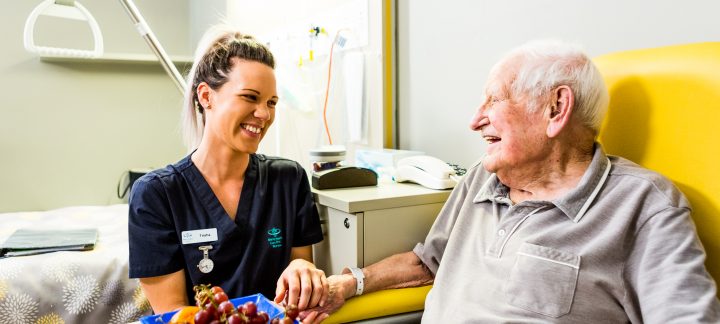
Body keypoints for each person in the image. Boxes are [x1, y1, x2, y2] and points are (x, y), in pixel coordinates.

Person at [314, 40, 720, 322]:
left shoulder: (645, 205)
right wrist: (346, 284)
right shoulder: (480, 177)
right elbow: (428, 263)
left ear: (556, 108)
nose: (475, 120)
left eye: (494, 99)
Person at [128, 25, 329, 322]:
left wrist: (304, 271)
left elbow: (298, 286)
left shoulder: (289, 180)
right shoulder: (157, 195)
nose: (264, 114)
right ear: (206, 96)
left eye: (271, 102)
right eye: (250, 97)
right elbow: (176, 316)